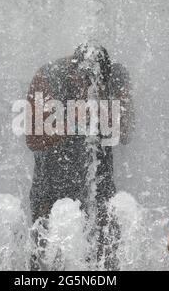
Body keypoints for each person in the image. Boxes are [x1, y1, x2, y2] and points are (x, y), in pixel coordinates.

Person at [26, 42, 134, 270]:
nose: (88, 88)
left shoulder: (116, 76)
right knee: (44, 259)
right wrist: (72, 121)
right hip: (51, 183)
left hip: (98, 183)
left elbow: (125, 134)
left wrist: (108, 110)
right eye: (83, 80)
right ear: (73, 71)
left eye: (94, 82)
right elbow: (33, 139)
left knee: (104, 258)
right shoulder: (48, 76)